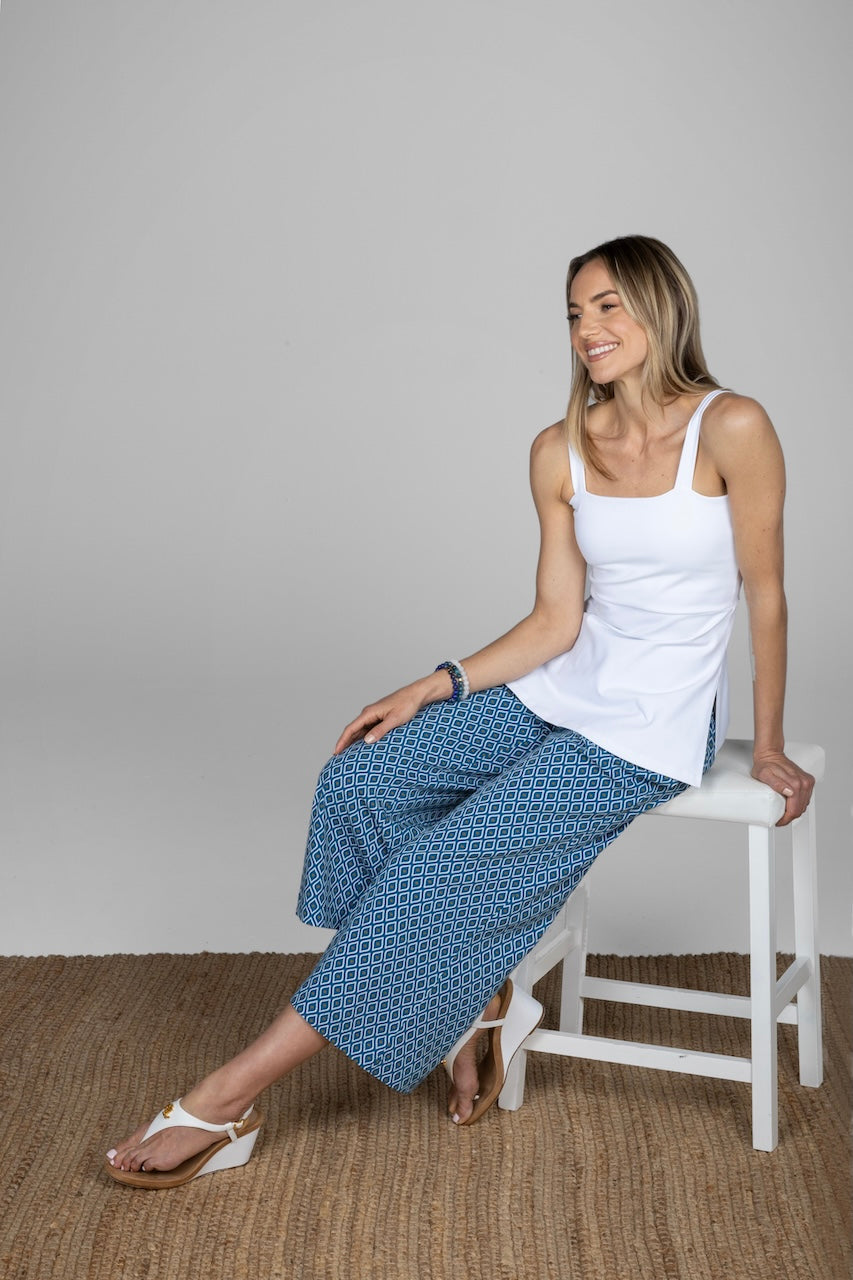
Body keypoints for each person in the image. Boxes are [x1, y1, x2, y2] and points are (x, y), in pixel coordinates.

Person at [105, 235, 814, 1188]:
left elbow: (763, 593)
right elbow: (556, 622)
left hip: (650, 725)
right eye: (573, 312)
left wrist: (765, 744)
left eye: (605, 306)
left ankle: (227, 1100)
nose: (585, 330)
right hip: (563, 687)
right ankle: (467, 995)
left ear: (658, 307)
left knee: (435, 874)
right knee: (363, 776)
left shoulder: (732, 427)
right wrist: (429, 684)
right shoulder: (558, 448)